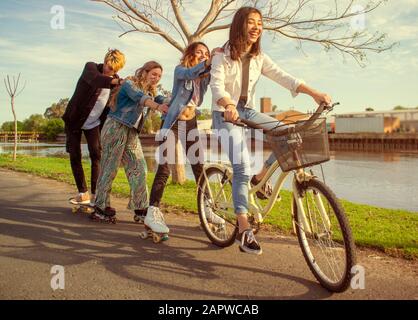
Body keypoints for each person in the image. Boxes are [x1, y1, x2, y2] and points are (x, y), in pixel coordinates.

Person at [210, 7, 332, 255]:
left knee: (292, 135)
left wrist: (315, 93)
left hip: (248, 110)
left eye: (260, 23)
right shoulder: (221, 55)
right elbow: (216, 86)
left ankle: (262, 174)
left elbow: (284, 77)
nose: (256, 27)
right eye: (251, 22)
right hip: (225, 114)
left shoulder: (259, 57)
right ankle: (244, 230)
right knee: (241, 166)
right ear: (239, 26)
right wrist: (229, 105)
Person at [143, 42, 225, 230]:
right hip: (172, 123)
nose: (203, 55)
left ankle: (207, 208)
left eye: (206, 53)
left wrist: (219, 59)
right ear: (190, 54)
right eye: (199, 52)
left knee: (199, 166)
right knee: (164, 168)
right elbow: (190, 73)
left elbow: (217, 78)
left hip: (190, 123)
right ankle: (153, 211)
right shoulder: (180, 70)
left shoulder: (204, 77)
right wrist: (207, 62)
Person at [91, 61, 168, 227]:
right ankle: (100, 206)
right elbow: (141, 98)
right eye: (153, 74)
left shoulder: (152, 91)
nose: (156, 78)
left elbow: (163, 99)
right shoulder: (129, 84)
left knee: (139, 167)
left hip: (131, 132)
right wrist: (158, 107)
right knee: (109, 168)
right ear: (144, 72)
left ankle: (140, 208)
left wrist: (176, 102)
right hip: (115, 127)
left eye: (159, 76)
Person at [63, 49, 126, 206]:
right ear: (104, 61)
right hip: (74, 120)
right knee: (75, 155)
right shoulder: (91, 68)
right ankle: (83, 193)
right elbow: (97, 80)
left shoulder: (116, 84)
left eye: (111, 69)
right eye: (106, 64)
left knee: (96, 155)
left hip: (94, 123)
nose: (106, 69)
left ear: (117, 69)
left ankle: (96, 195)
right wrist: (117, 82)